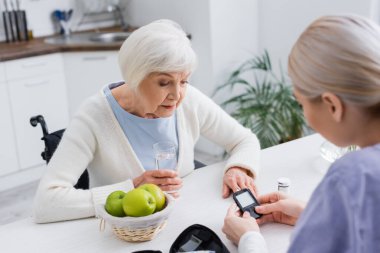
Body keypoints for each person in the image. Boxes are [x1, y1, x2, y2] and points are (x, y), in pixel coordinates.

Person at [33, 19, 260, 223]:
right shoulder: (94, 115)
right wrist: (130, 188)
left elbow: (244, 140)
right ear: (135, 77)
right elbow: (46, 202)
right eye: (164, 83)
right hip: (119, 234)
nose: (177, 95)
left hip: (185, 221)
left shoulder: (189, 100)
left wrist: (238, 167)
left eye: (184, 81)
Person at [222, 14, 380, 252]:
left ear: (333, 106)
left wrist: (249, 239)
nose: (304, 114)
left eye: (301, 103)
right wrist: (316, 216)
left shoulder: (351, 178)